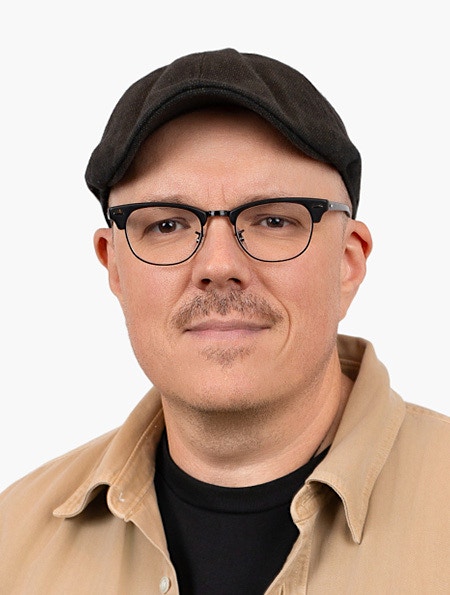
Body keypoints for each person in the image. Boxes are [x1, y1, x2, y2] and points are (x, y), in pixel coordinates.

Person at [1, 48, 449, 595]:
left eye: (274, 220)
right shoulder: (12, 541)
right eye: (166, 225)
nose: (217, 265)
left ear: (348, 262)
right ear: (114, 266)